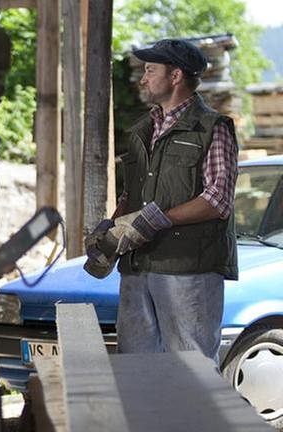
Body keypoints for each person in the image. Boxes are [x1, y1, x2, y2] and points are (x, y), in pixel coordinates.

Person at [88, 39, 238, 362]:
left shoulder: (212, 129)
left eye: (150, 70)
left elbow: (218, 198)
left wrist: (159, 219)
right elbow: (133, 195)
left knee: (191, 373)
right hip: (138, 269)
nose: (143, 78)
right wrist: (109, 230)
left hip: (189, 272)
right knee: (137, 372)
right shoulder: (143, 130)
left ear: (176, 76)